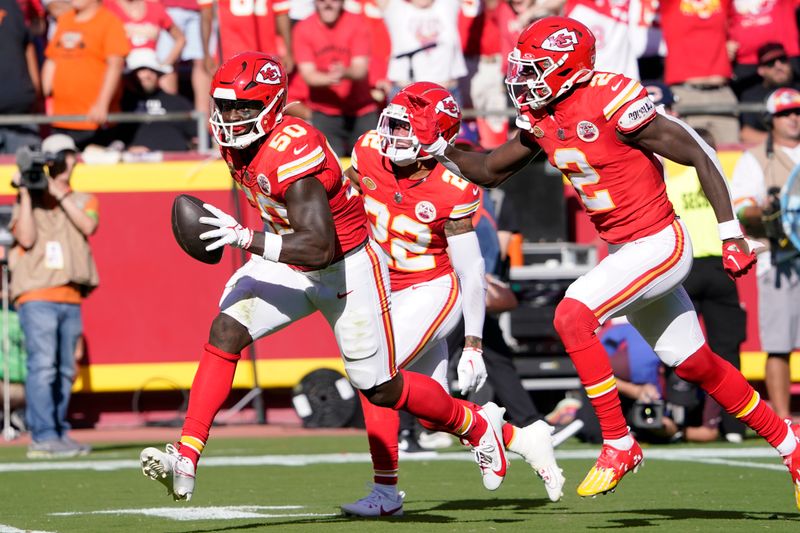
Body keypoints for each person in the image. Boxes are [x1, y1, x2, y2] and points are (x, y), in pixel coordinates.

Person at [402, 16, 800, 507]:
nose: (526, 78)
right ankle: (792, 446)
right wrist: (440, 150)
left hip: (659, 241)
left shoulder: (609, 98)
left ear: (570, 66)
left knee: (571, 315)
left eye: (537, 67)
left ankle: (619, 442)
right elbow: (488, 169)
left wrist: (729, 232)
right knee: (696, 364)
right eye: (524, 67)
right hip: (628, 251)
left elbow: (698, 150)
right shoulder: (543, 116)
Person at [138, 52, 509, 502]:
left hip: (345, 267)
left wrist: (243, 238)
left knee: (379, 384)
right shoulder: (237, 141)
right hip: (285, 254)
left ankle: (475, 423)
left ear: (272, 107)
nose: (232, 117)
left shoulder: (295, 147)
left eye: (244, 108)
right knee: (226, 328)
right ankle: (187, 456)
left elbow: (318, 247)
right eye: (225, 105)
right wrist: (254, 241)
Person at [339, 82, 563, 516]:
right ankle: (521, 438)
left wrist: (474, 344)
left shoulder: (453, 186)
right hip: (386, 288)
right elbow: (345, 199)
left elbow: (471, 271)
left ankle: (386, 493)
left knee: (374, 375)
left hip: (431, 288)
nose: (394, 136)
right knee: (430, 412)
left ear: (435, 137)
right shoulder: (369, 150)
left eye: (407, 128)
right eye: (394, 125)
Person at [9, 133, 98, 458]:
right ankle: (43, 435)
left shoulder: (83, 199)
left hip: (71, 294)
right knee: (43, 365)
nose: (64, 162)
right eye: (57, 157)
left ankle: (57, 432)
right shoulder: (32, 195)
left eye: (67, 156)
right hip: (37, 292)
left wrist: (56, 191)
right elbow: (27, 238)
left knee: (63, 369)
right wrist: (25, 192)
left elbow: (88, 227)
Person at [731, 88, 800, 423]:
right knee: (778, 342)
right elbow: (744, 210)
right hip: (780, 257)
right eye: (787, 113)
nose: (795, 118)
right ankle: (785, 419)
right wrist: (770, 215)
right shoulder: (756, 158)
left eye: (798, 111)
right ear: (771, 119)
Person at [292, 0, 378, 157]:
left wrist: (344, 72)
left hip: (361, 110)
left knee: (372, 162)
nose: (328, 4)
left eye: (333, 0)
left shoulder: (357, 23)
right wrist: (331, 78)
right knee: (329, 167)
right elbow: (308, 75)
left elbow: (360, 69)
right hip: (324, 112)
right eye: (322, 0)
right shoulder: (303, 28)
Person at [42, 0, 130, 149]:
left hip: (93, 121)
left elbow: (115, 65)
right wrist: (43, 95)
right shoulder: (65, 19)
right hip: (60, 118)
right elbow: (52, 59)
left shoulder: (110, 22)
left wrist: (102, 104)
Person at [119, 48, 196, 152]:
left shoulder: (178, 103)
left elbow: (199, 137)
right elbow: (113, 141)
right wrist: (128, 150)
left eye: (151, 70)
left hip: (176, 164)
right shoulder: (123, 105)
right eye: (141, 70)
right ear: (131, 75)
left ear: (158, 74)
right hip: (133, 165)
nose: (146, 75)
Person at [0, 0, 42, 154]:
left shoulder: (13, 7)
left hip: (21, 113)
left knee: (29, 172)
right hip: (20, 109)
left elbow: (28, 48)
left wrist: (35, 91)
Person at [740, 43, 800, 145]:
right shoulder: (750, 95)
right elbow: (745, 134)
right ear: (761, 70)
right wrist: (782, 141)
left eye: (782, 59)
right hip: (768, 152)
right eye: (770, 63)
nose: (778, 66)